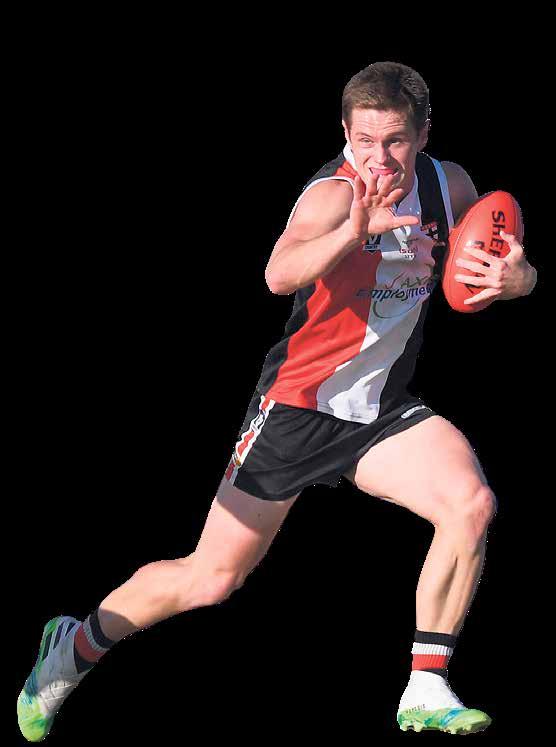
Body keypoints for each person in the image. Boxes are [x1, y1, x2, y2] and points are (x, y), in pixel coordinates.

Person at [17, 61, 537, 741]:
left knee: (470, 503)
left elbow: (483, 267)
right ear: (345, 133)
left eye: (395, 141)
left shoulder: (450, 186)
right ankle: (74, 645)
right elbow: (278, 272)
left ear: (423, 134)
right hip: (298, 408)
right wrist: (353, 232)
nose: (380, 158)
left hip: (379, 409)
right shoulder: (332, 197)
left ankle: (426, 687)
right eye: (365, 140)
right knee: (211, 578)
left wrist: (520, 279)